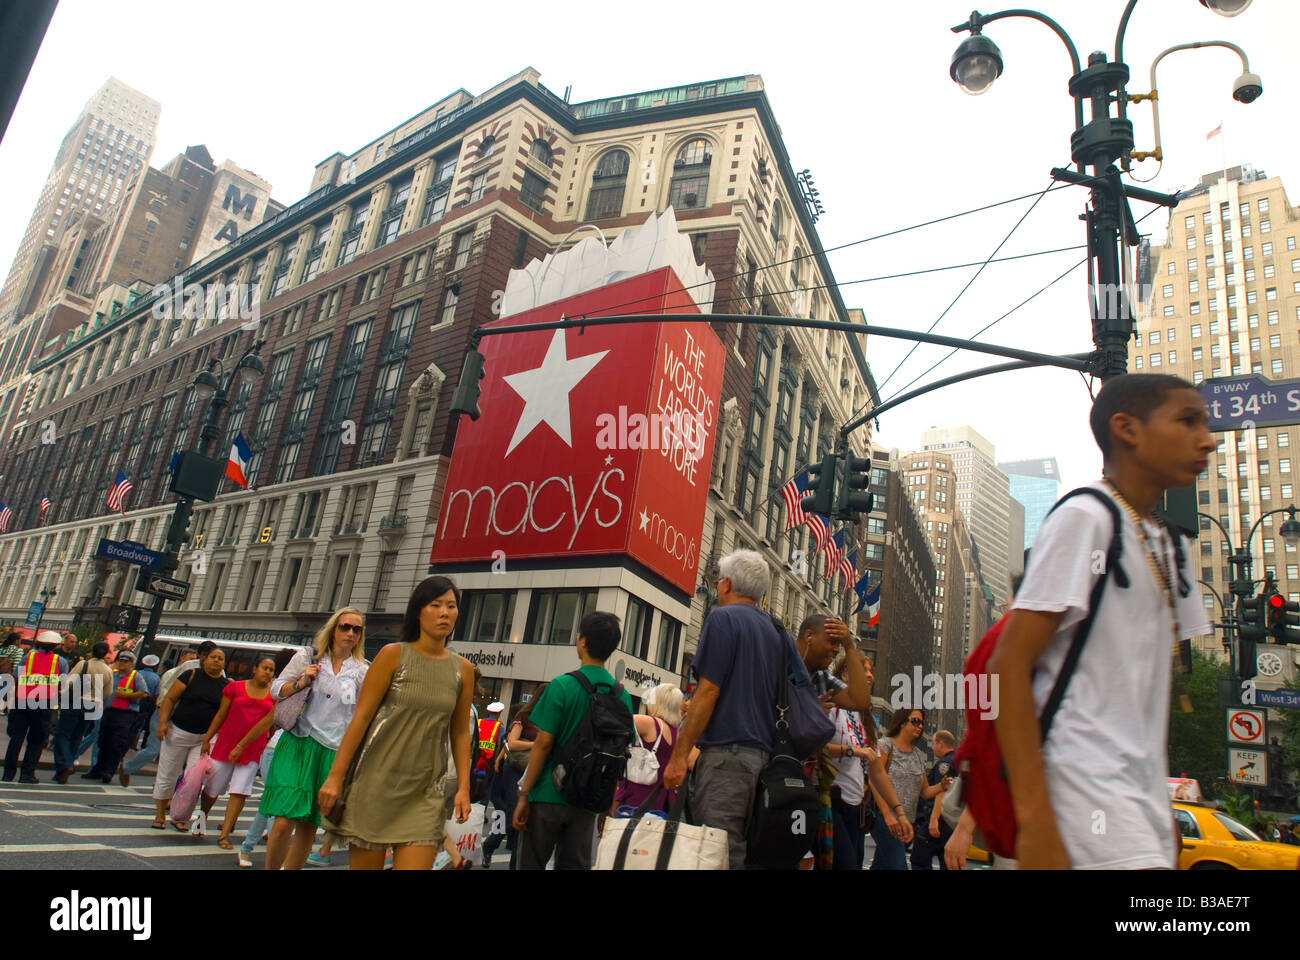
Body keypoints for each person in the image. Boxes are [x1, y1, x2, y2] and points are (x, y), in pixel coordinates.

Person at [991, 373, 1212, 869]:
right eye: (1187, 420)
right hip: (1083, 804)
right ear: (1126, 429)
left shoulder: (1171, 545)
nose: (1208, 438)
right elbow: (1006, 666)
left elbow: (1145, 701)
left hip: (1144, 813)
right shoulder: (1087, 518)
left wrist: (1164, 812)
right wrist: (1036, 821)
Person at [661, 549, 811, 870]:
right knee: (754, 856)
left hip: (726, 762)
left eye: (718, 581)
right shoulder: (779, 632)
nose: (716, 587)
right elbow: (803, 691)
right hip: (770, 766)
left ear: (726, 584)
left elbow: (707, 692)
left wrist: (678, 757)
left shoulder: (722, 618)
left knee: (718, 854)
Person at [320, 578, 472, 870]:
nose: (445, 613)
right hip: (375, 784)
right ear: (418, 611)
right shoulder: (393, 655)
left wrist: (463, 787)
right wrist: (335, 777)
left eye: (451, 606)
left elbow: (461, 732)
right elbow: (361, 718)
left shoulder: (462, 670)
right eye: (436, 605)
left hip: (426, 792)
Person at [513, 611, 633, 870]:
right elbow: (619, 752)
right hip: (588, 800)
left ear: (582, 641)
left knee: (530, 863)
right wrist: (606, 805)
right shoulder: (622, 696)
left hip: (547, 792)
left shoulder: (562, 685)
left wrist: (524, 794)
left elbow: (543, 744)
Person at [262, 607, 368, 870]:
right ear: (333, 629)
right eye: (345, 627)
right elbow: (276, 689)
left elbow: (364, 715)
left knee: (309, 826)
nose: (351, 633)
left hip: (333, 752)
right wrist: (300, 682)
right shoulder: (308, 657)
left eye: (357, 629)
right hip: (298, 743)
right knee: (284, 819)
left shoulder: (363, 671)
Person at [824, 656, 912, 871]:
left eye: (871, 670)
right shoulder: (831, 704)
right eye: (864, 670)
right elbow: (815, 747)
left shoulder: (865, 717)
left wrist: (899, 812)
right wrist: (853, 751)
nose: (870, 675)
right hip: (829, 800)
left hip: (856, 807)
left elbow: (877, 771)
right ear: (845, 673)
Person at [198, 653, 277, 853]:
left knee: (240, 790)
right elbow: (221, 714)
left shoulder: (273, 695)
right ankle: (201, 818)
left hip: (252, 749)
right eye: (264, 668)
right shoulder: (234, 688)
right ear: (254, 669)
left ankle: (225, 833)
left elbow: (271, 725)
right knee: (213, 788)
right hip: (226, 743)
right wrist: (208, 738)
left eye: (271, 670)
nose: (267, 673)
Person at [152, 642, 228, 830]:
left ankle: (180, 816)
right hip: (177, 731)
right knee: (168, 773)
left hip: (203, 738)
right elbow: (170, 698)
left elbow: (222, 714)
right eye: (213, 657)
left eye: (221, 659)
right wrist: (162, 723)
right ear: (204, 659)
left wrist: (211, 738)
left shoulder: (225, 685)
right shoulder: (190, 675)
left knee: (194, 780)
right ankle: (160, 814)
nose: (216, 661)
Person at [482, 686, 548, 867]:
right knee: (511, 814)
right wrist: (536, 745)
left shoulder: (550, 719)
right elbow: (511, 743)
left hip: (534, 771)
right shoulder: (524, 716)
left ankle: (510, 855)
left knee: (519, 818)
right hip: (513, 771)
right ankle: (490, 846)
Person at [871, 707, 942, 870]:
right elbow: (875, 781)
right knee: (898, 866)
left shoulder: (918, 754)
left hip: (907, 824)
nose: (920, 726)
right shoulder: (885, 745)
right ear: (902, 723)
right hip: (886, 820)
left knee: (882, 865)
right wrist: (887, 815)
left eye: (922, 723)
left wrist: (942, 786)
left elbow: (924, 792)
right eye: (915, 721)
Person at [120, 650, 197, 786]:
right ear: (181, 659)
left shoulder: (194, 678)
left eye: (194, 660)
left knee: (176, 754)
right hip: (163, 713)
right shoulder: (171, 674)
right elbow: (163, 697)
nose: (192, 663)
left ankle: (165, 784)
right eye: (190, 659)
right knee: (153, 749)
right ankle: (127, 768)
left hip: (181, 717)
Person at [3, 630, 69, 783]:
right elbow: (63, 683)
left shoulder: (28, 657)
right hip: (43, 704)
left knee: (16, 739)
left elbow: (15, 677)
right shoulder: (61, 662)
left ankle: (8, 774)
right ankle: (27, 774)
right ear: (55, 646)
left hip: (22, 701)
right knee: (37, 740)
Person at [612, 683, 684, 814]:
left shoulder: (650, 723)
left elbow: (615, 723)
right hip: (663, 804)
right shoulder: (677, 734)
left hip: (635, 802)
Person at [52, 641, 113, 783]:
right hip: (92, 704)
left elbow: (69, 682)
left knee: (62, 734)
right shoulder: (107, 670)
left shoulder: (84, 664)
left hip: (75, 701)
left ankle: (65, 763)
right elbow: (108, 692)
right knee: (77, 736)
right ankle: (63, 769)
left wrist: (61, 694)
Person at [83, 651, 149, 782]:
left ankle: (109, 771)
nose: (122, 663)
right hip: (108, 711)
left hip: (125, 714)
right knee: (103, 741)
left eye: (126, 661)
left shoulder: (136, 676)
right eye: (120, 660)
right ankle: (97, 770)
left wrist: (127, 696)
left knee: (116, 743)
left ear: (131, 664)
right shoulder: (112, 674)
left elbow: (144, 693)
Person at [912, 729, 957, 870]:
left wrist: (933, 820)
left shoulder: (944, 764)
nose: (932, 747)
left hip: (938, 820)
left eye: (933, 743)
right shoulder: (958, 761)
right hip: (951, 821)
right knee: (948, 862)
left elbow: (942, 791)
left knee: (919, 859)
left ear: (941, 744)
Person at [238, 727, 282, 868]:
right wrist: (240, 746)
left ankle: (246, 849)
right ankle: (276, 859)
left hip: (295, 757)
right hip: (275, 751)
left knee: (268, 804)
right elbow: (267, 722)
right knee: (274, 804)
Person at [472, 700, 506, 803]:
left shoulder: (479, 722)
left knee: (474, 781)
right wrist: (498, 761)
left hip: (476, 758)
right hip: (489, 760)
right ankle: (482, 806)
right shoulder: (499, 726)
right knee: (486, 786)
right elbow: (502, 744)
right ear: (499, 712)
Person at [129, 654, 162, 750]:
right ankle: (134, 744)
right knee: (139, 723)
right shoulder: (156, 678)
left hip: (133, 699)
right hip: (146, 702)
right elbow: (156, 694)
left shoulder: (136, 673)